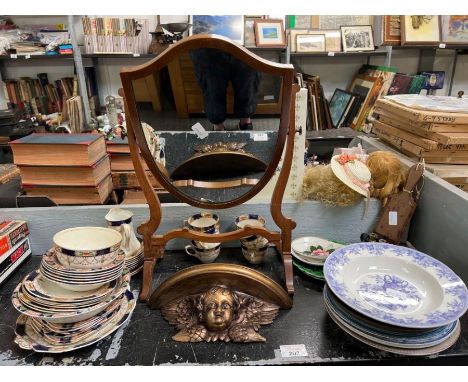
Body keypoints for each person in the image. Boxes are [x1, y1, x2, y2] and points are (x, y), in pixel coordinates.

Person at [190, 48, 261, 131]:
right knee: (212, 89)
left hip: (246, 45)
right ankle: (218, 126)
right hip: (207, 45)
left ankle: (245, 121)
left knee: (248, 86)